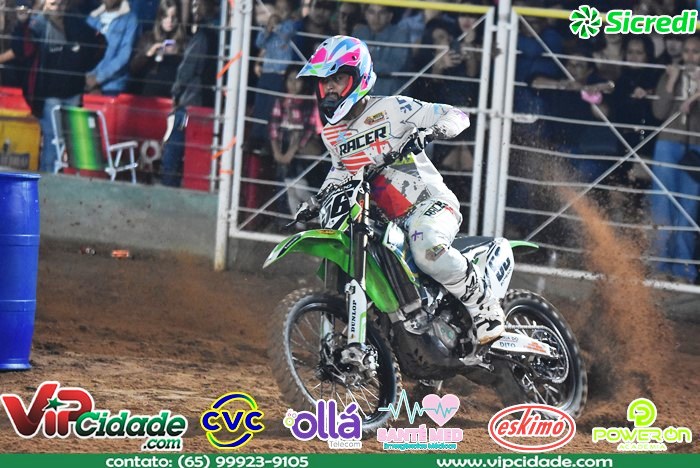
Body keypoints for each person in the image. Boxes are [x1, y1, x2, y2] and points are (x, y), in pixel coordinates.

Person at [296, 35, 507, 344]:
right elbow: (342, 169)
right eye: (324, 81)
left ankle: (484, 305)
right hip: (385, 221)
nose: (329, 88)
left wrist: (433, 131)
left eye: (337, 79)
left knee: (426, 246)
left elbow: (456, 116)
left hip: (429, 204)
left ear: (357, 77)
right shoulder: (332, 133)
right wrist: (318, 200)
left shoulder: (394, 108)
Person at [11, 0, 104, 172]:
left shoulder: (75, 23)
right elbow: (22, 51)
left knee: (72, 143)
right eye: (54, 4)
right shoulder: (36, 25)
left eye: (61, 4)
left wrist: (85, 68)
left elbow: (99, 42)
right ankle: (48, 180)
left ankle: (61, 178)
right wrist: (22, 24)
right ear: (45, 4)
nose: (58, 8)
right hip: (48, 96)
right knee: (54, 140)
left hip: (73, 93)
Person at [649, 34, 700, 284]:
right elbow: (658, 112)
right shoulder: (670, 74)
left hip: (696, 148)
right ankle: (659, 266)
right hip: (667, 145)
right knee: (662, 204)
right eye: (687, 51)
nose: (690, 56)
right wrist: (671, 81)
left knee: (688, 209)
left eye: (696, 51)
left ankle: (683, 271)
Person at [159, 0, 218, 187]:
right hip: (208, 100)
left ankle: (169, 187)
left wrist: (176, 92)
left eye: (200, 5)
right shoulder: (220, 35)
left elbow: (187, 68)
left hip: (190, 101)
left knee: (173, 148)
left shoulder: (203, 36)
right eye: (194, 5)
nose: (196, 9)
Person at [268, 64, 318, 224]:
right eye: (290, 80)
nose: (293, 84)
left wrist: (292, 151)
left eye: (297, 80)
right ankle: (300, 225)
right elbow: (273, 126)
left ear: (304, 83)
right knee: (291, 190)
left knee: (300, 189)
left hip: (302, 150)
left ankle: (319, 216)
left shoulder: (309, 102)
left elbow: (309, 129)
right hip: (284, 148)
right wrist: (277, 152)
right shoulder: (281, 101)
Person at [129, 0, 186, 97]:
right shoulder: (147, 38)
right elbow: (133, 69)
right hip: (150, 93)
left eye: (173, 17)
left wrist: (178, 55)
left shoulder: (184, 42)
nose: (170, 21)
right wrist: (148, 54)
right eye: (165, 16)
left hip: (174, 94)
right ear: (160, 17)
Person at [86, 0, 139, 95]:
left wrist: (98, 78)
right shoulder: (93, 17)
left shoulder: (130, 20)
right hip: (86, 81)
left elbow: (124, 55)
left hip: (112, 85)